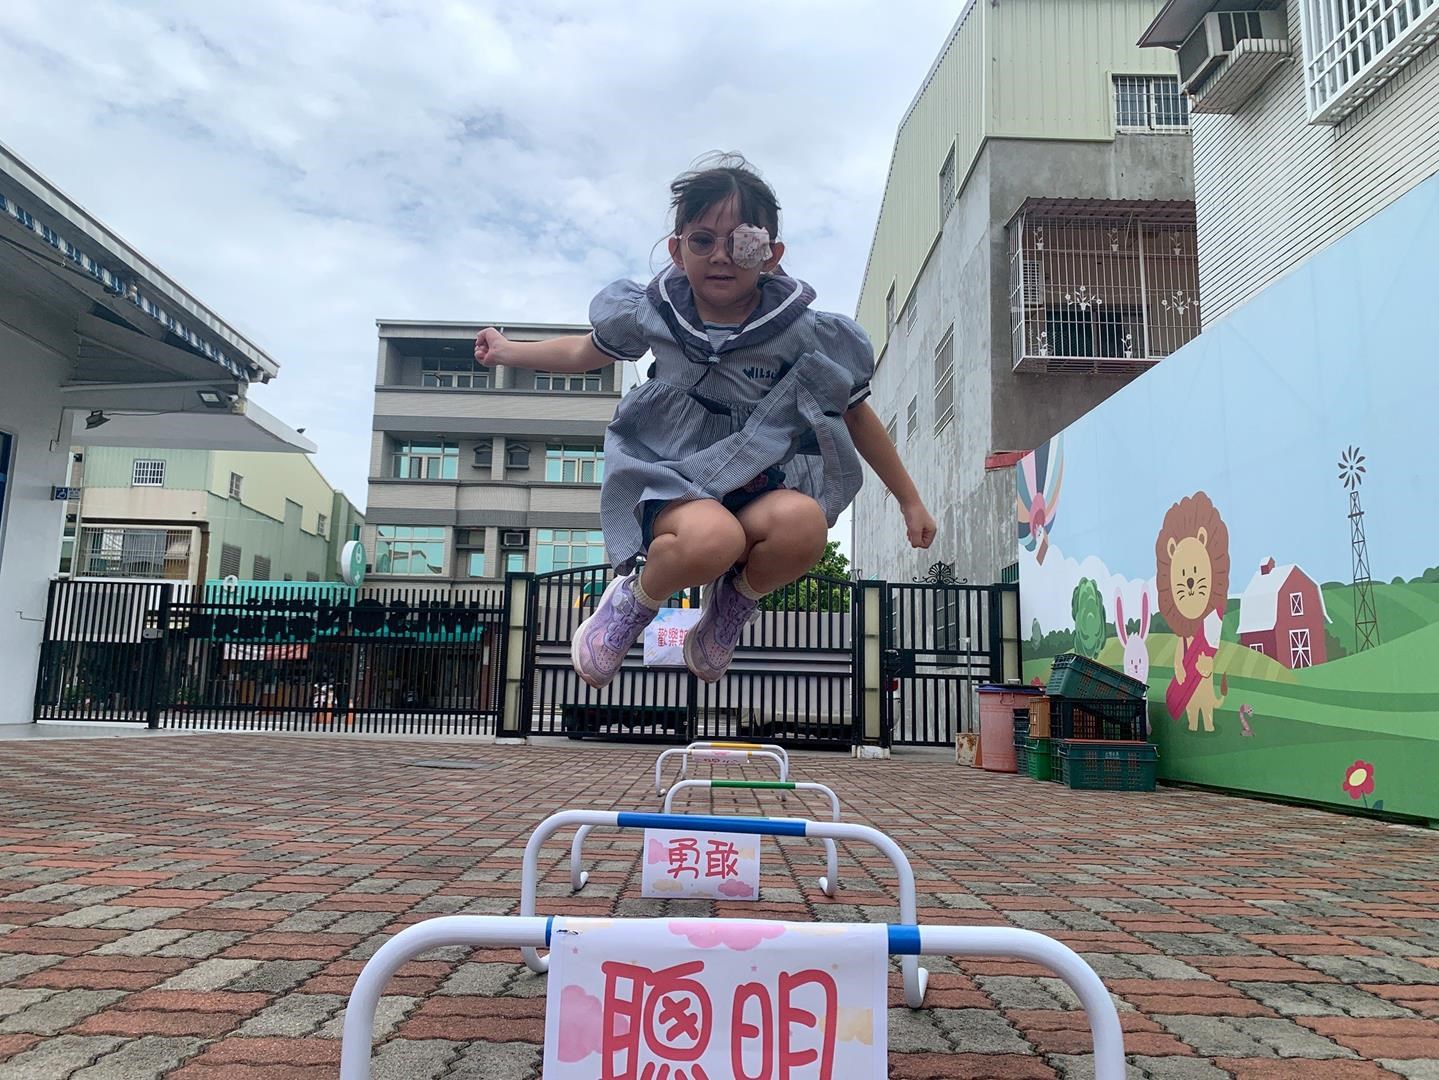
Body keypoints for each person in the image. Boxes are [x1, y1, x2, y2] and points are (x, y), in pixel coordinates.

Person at [474, 154, 935, 689]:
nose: (721, 256)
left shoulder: (799, 330)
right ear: (677, 249)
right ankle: (633, 601)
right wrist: (510, 351)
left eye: (742, 242)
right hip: (669, 471)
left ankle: (731, 606)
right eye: (702, 240)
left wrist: (909, 499)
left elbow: (854, 413)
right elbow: (585, 351)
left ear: (770, 253)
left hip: (751, 476)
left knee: (805, 524)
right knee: (713, 538)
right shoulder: (655, 310)